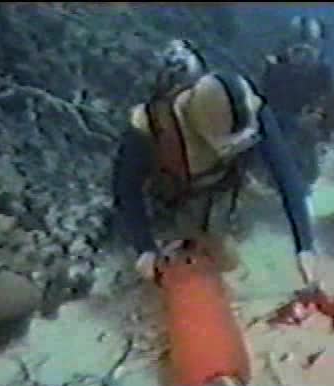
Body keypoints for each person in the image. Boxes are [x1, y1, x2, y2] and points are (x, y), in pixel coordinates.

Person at [112, 39, 319, 287]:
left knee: (226, 258)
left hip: (219, 190)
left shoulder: (251, 107)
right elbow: (126, 189)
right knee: (173, 258)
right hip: (170, 194)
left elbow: (285, 173)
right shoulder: (150, 126)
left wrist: (305, 246)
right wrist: (144, 247)